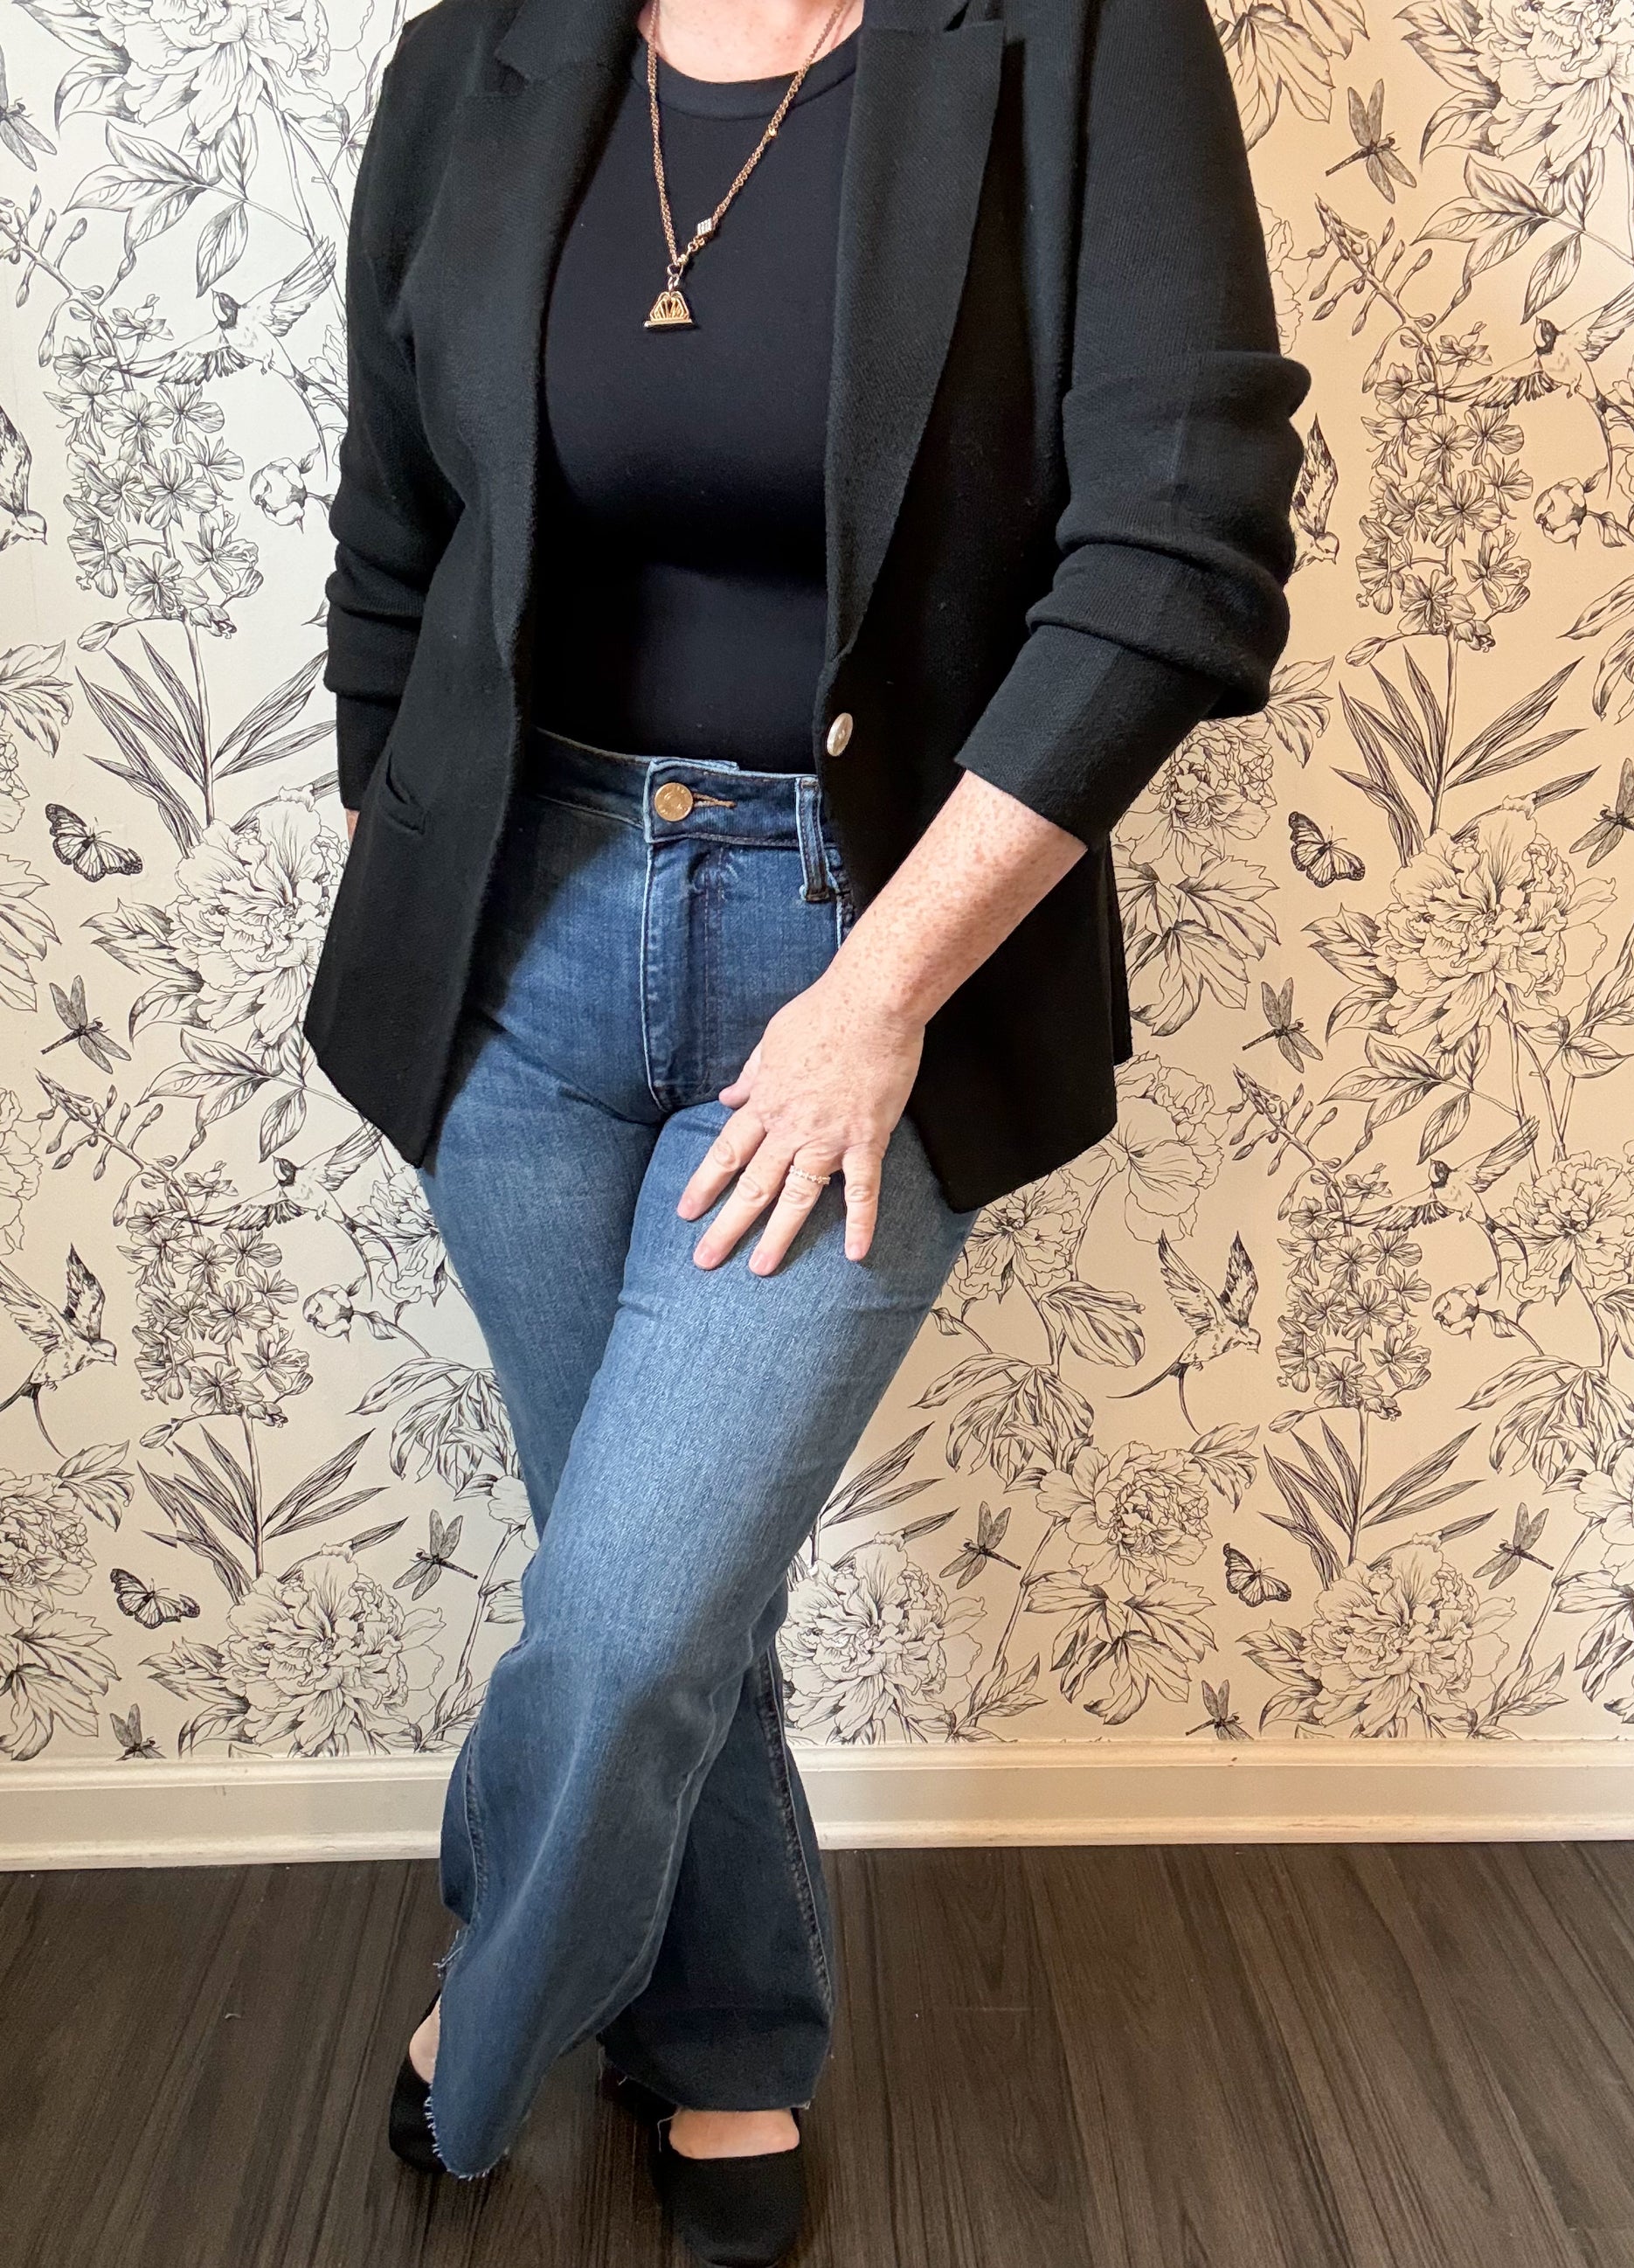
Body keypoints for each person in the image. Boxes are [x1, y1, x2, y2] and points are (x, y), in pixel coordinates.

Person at [302, 0, 1310, 2256]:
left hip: (865, 960)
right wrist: (408, 853)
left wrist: (879, 996)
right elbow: (395, 523)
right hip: (515, 951)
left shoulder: (1073, 43)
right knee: (670, 1592)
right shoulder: (478, 55)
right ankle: (736, 2036)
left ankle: (492, 2022)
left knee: (629, 1611)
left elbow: (1183, 547)